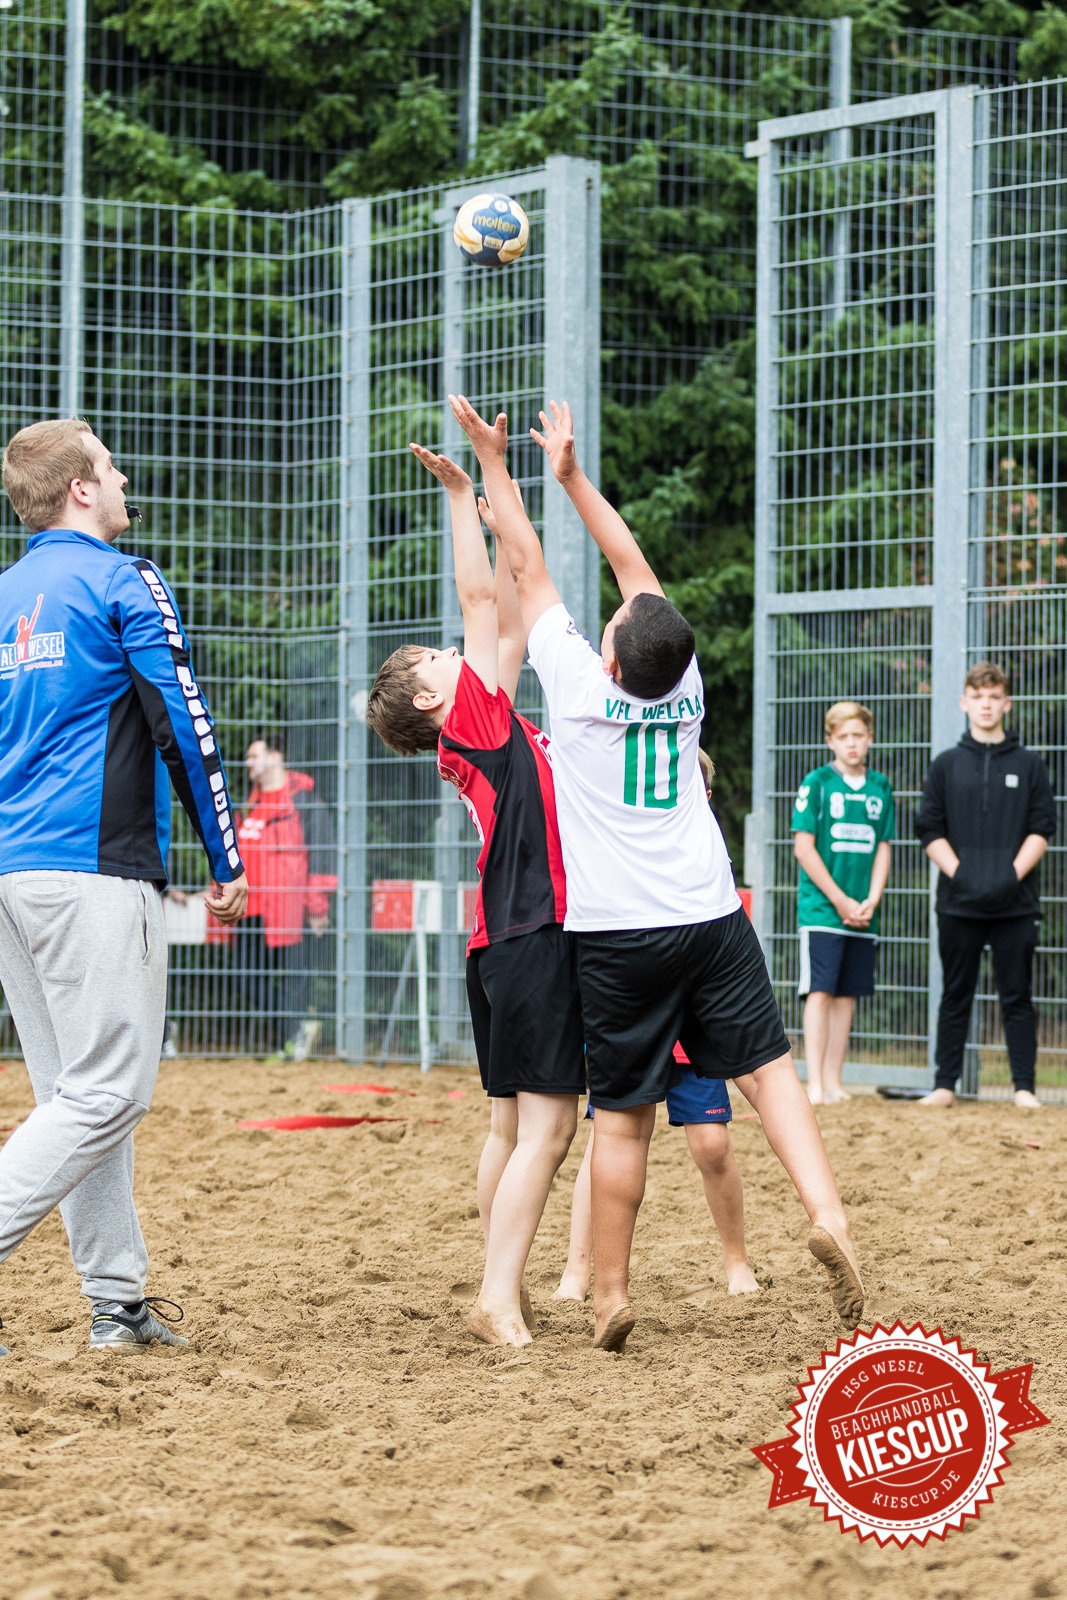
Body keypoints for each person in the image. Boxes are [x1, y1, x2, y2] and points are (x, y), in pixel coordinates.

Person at [450, 393, 863, 1350]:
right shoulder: (683, 687)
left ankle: (607, 1297)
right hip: (709, 912)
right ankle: (828, 1215)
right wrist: (575, 476)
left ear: (609, 651)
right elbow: (631, 568)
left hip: (615, 932)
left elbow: (526, 563)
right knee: (767, 1069)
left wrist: (502, 468)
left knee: (624, 1125)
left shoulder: (577, 685)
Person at [0, 419, 247, 1355]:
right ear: (78, 491)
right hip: (91, 871)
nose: (122, 475)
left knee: (76, 1093)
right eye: (108, 466)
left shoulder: (5, 595)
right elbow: (184, 724)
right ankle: (112, 1298)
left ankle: (116, 1302)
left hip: (12, 876)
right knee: (108, 1094)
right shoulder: (123, 580)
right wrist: (225, 859)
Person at [365, 447, 584, 1348]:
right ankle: (498, 1293)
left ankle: (503, 1284)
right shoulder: (477, 716)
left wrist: (490, 513)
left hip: (495, 945)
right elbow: (484, 602)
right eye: (435, 657)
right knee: (549, 1128)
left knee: (508, 1129)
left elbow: (494, 611)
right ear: (429, 695)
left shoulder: (479, 718)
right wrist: (469, 494)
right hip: (532, 936)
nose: (454, 650)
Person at [555, 749, 760, 1303]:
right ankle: (577, 1271)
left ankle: (736, 1260)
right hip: (631, 1015)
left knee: (713, 1145)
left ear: (704, 795)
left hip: (691, 1023)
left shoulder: (706, 857)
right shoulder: (616, 842)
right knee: (608, 1139)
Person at [915, 662, 1055, 1109]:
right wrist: (965, 876)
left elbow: (1043, 827)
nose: (987, 704)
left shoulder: (1030, 765)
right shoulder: (946, 765)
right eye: (978, 697)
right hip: (958, 903)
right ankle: (944, 1085)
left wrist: (1010, 877)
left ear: (1006, 703)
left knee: (1017, 996)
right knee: (956, 993)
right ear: (965, 702)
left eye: (994, 696)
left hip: (1016, 903)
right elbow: (929, 830)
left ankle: (1024, 1089)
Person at [791, 702, 894, 1106]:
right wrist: (840, 899)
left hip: (862, 914)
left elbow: (883, 847)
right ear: (830, 740)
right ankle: (813, 1083)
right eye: (844, 736)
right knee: (820, 991)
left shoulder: (880, 787)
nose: (852, 744)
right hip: (823, 911)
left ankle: (834, 1082)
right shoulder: (816, 783)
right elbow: (804, 849)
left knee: (848, 995)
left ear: (870, 739)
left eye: (859, 736)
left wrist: (871, 898)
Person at [225, 734, 337, 1059]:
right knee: (245, 978)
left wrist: (318, 906)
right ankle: (297, 1029)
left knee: (294, 980)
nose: (248, 763)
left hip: (290, 908)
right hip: (252, 909)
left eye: (253, 756)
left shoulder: (304, 802)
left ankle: (292, 1042)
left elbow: (321, 855)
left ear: (276, 757)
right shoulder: (250, 804)